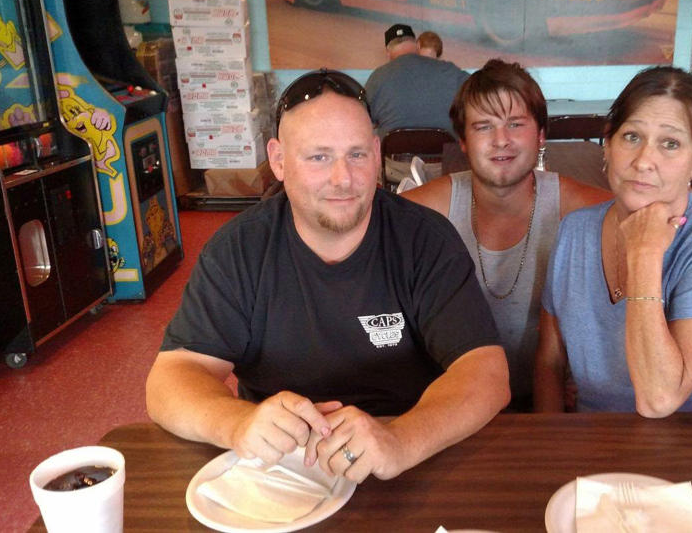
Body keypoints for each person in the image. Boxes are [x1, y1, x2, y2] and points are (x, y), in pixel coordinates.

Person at [146, 69, 510, 484]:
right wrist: (237, 424)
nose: (343, 178)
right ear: (279, 160)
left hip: (406, 461)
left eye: (356, 154)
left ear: (376, 153)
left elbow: (486, 371)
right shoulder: (239, 249)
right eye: (319, 156)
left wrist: (401, 440)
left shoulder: (424, 239)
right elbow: (171, 378)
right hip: (280, 469)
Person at [534, 66, 692, 417]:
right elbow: (550, 361)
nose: (644, 161)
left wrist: (644, 251)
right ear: (608, 143)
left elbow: (659, 398)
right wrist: (551, 451)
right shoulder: (575, 231)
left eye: (670, 144)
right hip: (597, 452)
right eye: (631, 137)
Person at [402, 59, 610, 411]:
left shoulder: (581, 208)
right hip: (449, 403)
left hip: (549, 401)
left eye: (516, 124)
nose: (501, 140)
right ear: (464, 141)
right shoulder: (425, 210)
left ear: (541, 134)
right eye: (484, 127)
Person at [365, 23, 468, 139]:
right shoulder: (450, 71)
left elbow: (364, 120)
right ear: (418, 45)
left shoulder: (377, 77)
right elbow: (479, 94)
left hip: (393, 155)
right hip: (446, 155)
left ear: (388, 52)